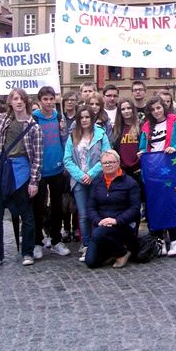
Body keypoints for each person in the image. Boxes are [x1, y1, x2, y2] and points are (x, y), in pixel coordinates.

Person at [0, 88, 43, 268]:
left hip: (22, 174)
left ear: (26, 102)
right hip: (2, 171)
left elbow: (37, 158)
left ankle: (27, 252)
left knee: (26, 215)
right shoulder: (4, 119)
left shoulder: (34, 127)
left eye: (21, 99)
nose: (18, 102)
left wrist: (34, 181)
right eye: (15, 99)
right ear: (10, 102)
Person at [139, 96, 176, 255]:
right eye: (153, 109)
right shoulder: (146, 126)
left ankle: (175, 240)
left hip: (169, 170)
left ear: (164, 107)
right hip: (153, 171)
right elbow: (143, 147)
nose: (156, 111)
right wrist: (142, 153)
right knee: (156, 206)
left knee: (169, 205)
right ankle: (160, 241)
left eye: (158, 108)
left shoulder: (174, 122)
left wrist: (175, 148)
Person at [64, 104, 111, 262]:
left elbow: (106, 156)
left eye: (87, 117)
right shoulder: (73, 136)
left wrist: (90, 174)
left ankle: (98, 243)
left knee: (97, 213)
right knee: (83, 215)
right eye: (81, 117)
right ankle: (86, 244)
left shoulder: (101, 134)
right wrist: (81, 176)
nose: (84, 120)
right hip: (79, 181)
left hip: (97, 179)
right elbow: (67, 159)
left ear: (92, 118)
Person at [84, 150, 141, 269]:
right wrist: (98, 221)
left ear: (118, 163)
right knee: (91, 262)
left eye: (111, 162)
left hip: (122, 225)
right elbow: (90, 206)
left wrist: (116, 220)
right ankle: (113, 251)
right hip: (101, 225)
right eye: (105, 163)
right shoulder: (96, 182)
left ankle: (123, 253)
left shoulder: (130, 183)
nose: (108, 165)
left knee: (97, 233)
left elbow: (135, 208)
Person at [32, 87, 70, 259]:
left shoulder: (59, 117)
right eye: (45, 99)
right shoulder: (34, 119)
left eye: (51, 99)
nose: (49, 102)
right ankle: (37, 241)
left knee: (57, 206)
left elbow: (65, 140)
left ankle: (56, 239)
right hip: (39, 170)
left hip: (57, 168)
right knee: (38, 207)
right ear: (39, 101)